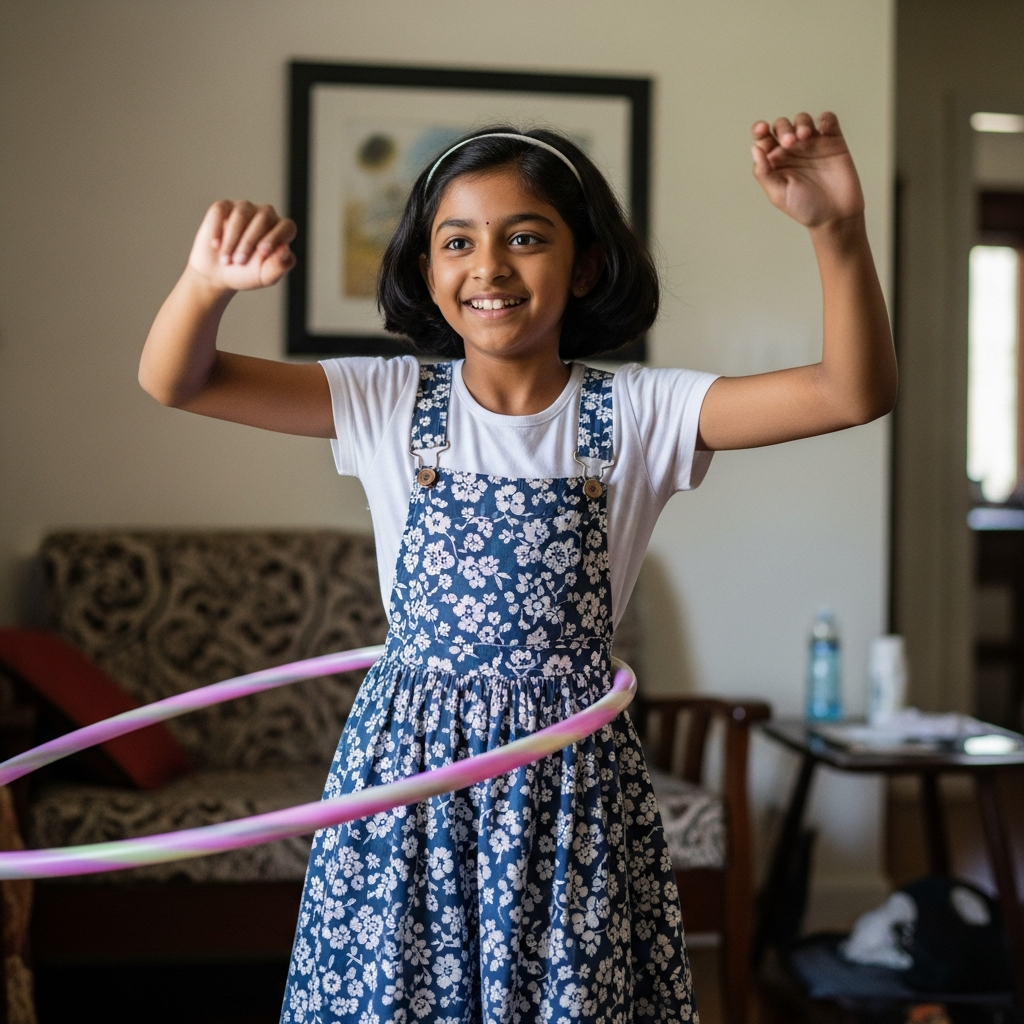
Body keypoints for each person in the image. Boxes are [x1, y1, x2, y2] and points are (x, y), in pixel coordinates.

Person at [139, 113, 896, 1024]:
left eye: (525, 239)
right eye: (457, 242)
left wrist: (837, 230)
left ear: (585, 268)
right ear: (428, 271)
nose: (489, 267)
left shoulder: (642, 412)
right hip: (408, 775)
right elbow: (178, 380)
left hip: (568, 782)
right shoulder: (385, 399)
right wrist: (205, 285)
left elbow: (852, 392)